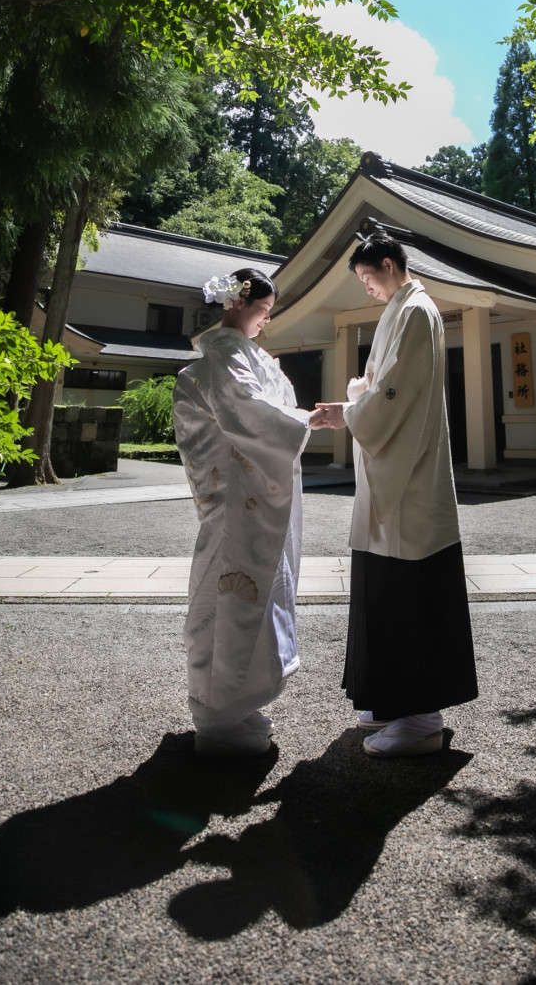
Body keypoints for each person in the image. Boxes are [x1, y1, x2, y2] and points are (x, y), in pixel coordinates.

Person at [310, 225, 478, 757]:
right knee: (386, 587)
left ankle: (421, 717)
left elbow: (394, 393)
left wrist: (353, 408)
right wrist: (358, 402)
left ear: (387, 266)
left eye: (366, 278)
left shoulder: (416, 311)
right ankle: (390, 702)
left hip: (408, 478)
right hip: (393, 472)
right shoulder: (403, 310)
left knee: (408, 590)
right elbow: (380, 387)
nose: (367, 289)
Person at [173, 271, 311, 757]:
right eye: (263, 309)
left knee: (255, 592)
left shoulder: (241, 355)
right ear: (237, 303)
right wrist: (310, 420)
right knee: (228, 596)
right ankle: (217, 714)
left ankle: (241, 701)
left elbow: (270, 407)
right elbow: (253, 415)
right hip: (236, 499)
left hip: (249, 491)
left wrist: (298, 418)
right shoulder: (223, 357)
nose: (267, 319)